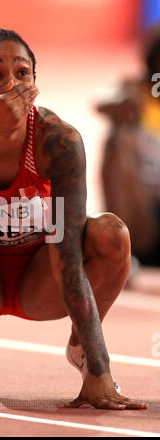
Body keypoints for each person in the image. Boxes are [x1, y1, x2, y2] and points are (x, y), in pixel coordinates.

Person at [0, 28, 147, 410]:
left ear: (35, 84)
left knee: (111, 234)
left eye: (22, 73)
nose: (11, 84)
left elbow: (67, 253)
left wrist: (98, 365)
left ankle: (80, 348)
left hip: (41, 280)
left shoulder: (58, 140)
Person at [96, 25, 160, 268]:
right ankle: (117, 248)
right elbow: (102, 100)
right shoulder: (136, 94)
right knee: (116, 138)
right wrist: (118, 107)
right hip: (143, 218)